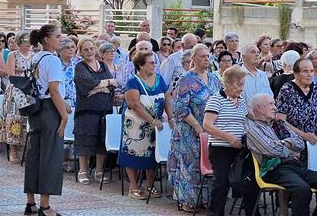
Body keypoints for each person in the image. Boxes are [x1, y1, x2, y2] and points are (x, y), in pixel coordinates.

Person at [246, 94, 317, 216]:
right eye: (271, 104)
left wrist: (281, 143)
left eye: (274, 104)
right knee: (302, 190)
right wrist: (289, 148)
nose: (275, 107)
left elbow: (300, 143)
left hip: (295, 165)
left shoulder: (280, 125)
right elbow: (270, 149)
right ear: (258, 108)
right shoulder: (253, 129)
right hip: (275, 169)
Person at [24, 24, 69, 216]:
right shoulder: (53, 60)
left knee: (34, 156)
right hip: (50, 110)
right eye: (58, 37)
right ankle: (45, 206)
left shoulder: (34, 58)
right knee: (50, 156)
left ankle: (30, 202)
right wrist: (65, 115)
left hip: (36, 110)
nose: (61, 40)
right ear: (47, 40)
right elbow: (54, 89)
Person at [169, 44, 220, 212]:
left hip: (210, 128)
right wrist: (197, 126)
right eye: (203, 56)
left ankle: (205, 198)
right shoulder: (186, 79)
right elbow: (181, 108)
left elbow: (219, 100)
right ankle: (187, 200)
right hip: (189, 129)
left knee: (209, 162)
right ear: (194, 59)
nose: (207, 59)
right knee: (190, 165)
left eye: (208, 56)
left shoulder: (213, 78)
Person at [203, 66, 255, 216]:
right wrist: (230, 138)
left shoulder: (241, 101)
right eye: (239, 84)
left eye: (243, 84)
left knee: (247, 180)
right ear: (228, 83)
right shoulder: (216, 99)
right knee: (222, 182)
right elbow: (207, 125)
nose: (242, 88)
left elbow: (248, 119)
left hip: (239, 148)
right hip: (220, 148)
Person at [118, 51, 167, 199]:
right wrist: (151, 120)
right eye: (150, 63)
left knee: (153, 155)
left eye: (154, 62)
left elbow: (168, 99)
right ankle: (133, 187)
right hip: (136, 124)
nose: (154, 65)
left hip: (155, 124)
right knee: (133, 153)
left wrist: (170, 118)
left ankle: (149, 185)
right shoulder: (132, 82)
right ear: (140, 65)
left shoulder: (159, 79)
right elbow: (135, 104)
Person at [73, 39, 116, 185]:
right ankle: (83, 171)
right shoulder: (80, 67)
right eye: (86, 49)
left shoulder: (103, 65)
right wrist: (105, 84)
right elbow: (86, 85)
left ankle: (98, 171)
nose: (90, 52)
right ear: (80, 52)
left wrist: (101, 86)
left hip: (104, 109)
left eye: (91, 48)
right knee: (85, 140)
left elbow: (112, 85)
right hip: (86, 110)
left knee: (101, 141)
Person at [277, 58, 317, 155]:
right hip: (295, 144)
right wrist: (303, 135)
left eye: (312, 71)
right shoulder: (287, 90)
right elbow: (280, 120)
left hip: (315, 142)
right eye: (305, 71)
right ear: (296, 73)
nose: (310, 74)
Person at [1, 30, 34, 164]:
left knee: (27, 121)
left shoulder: (34, 56)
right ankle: (13, 151)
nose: (29, 44)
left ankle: (26, 150)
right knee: (14, 120)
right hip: (16, 90)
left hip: (29, 91)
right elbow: (10, 73)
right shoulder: (13, 55)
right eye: (26, 41)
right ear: (20, 42)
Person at [59, 38, 77, 112]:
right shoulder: (56, 64)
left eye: (72, 47)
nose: (71, 49)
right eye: (67, 47)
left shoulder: (77, 64)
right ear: (60, 50)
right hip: (60, 101)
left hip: (75, 101)